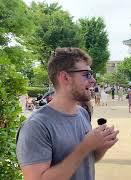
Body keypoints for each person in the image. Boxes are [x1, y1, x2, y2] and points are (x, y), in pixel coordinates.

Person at [16, 48, 119, 180]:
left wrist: (100, 147)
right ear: (65, 77)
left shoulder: (82, 113)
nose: (93, 80)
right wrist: (84, 147)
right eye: (87, 74)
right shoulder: (36, 126)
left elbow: (85, 161)